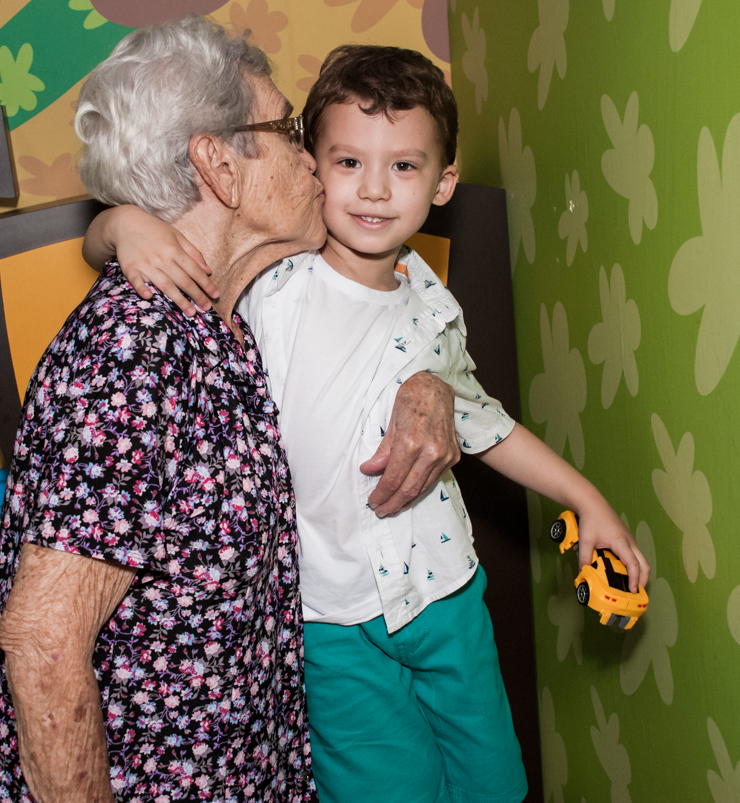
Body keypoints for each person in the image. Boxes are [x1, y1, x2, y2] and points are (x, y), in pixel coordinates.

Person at [87, 44, 650, 803]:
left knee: (494, 782)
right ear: (311, 167)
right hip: (329, 623)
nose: (375, 190)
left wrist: (590, 502)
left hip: (446, 595)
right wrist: (123, 225)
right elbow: (120, 245)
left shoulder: (433, 303)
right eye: (348, 162)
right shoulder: (272, 277)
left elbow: (489, 424)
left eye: (405, 167)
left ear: (444, 181)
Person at [0, 21, 461, 803]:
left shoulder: (220, 313)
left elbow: (393, 311)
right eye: (288, 129)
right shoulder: (132, 353)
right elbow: (41, 639)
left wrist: (430, 381)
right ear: (218, 163)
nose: (312, 157)